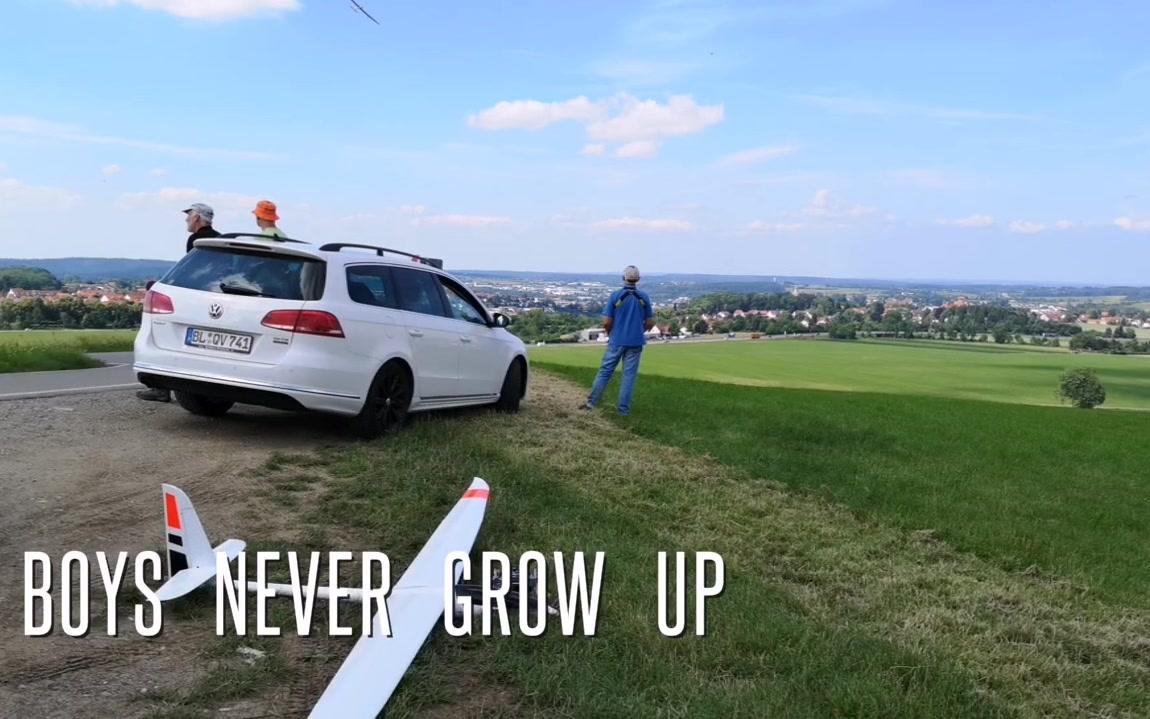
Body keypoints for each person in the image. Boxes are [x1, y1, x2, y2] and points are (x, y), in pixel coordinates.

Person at [138, 203, 220, 403]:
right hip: (215, 295)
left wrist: (164, 285)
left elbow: (192, 270)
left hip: (196, 296)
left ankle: (161, 389)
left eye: (189, 215)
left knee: (166, 338)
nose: (186, 219)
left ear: (198, 218)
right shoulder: (219, 237)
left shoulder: (197, 240)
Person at [582, 265, 655, 416]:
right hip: (636, 343)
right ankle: (623, 411)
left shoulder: (616, 296)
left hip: (616, 340)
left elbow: (607, 321)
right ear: (638, 280)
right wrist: (639, 331)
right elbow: (650, 322)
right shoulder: (644, 297)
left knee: (605, 372)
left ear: (623, 278)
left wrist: (610, 334)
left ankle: (591, 403)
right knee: (629, 376)